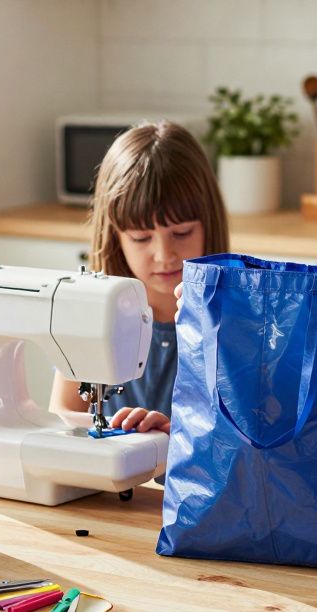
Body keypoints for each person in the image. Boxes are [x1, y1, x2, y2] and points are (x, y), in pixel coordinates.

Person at [49, 121, 229, 433]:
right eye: (141, 238)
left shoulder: (232, 319)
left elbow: (239, 438)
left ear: (207, 223)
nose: (164, 254)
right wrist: (128, 436)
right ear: (115, 235)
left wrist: (172, 437)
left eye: (182, 232)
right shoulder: (89, 314)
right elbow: (61, 413)